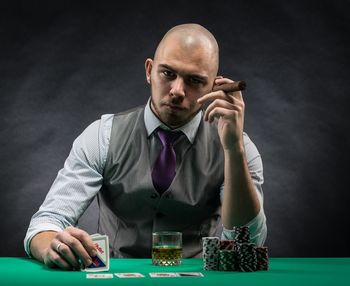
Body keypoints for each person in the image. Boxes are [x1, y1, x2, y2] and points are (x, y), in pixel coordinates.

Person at [24, 23, 267, 270]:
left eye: (194, 80)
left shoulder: (239, 148)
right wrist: (51, 245)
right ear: (149, 70)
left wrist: (234, 149)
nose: (177, 91)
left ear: (214, 87)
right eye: (168, 73)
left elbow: (245, 242)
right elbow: (47, 221)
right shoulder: (102, 136)